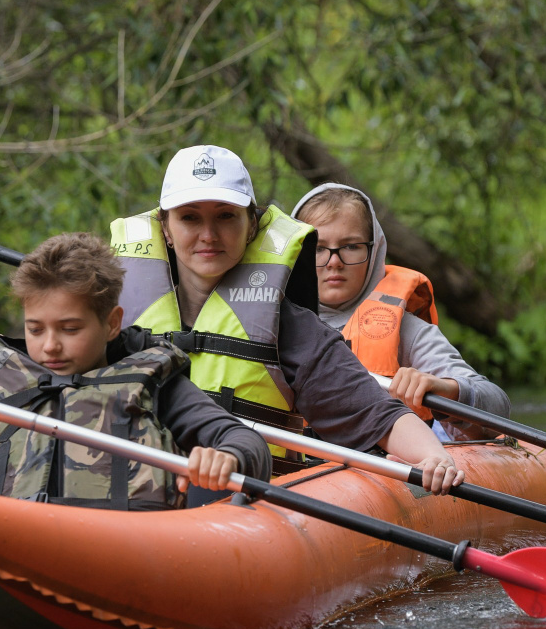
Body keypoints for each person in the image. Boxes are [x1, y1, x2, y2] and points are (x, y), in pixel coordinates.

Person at [107, 144, 464, 497]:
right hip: (134, 502)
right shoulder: (114, 319)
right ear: (166, 229)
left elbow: (378, 414)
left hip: (245, 507)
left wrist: (434, 458)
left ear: (251, 225)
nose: (209, 234)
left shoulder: (288, 325)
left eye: (226, 216)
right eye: (190, 217)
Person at [0, 232, 268, 509]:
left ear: (112, 323)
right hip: (18, 541)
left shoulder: (154, 383)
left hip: (131, 549)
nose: (50, 346)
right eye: (35, 329)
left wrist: (228, 456)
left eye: (70, 329)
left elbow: (245, 441)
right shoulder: (14, 387)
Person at [293, 183, 512, 434]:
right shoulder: (270, 325)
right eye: (318, 248)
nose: (334, 262)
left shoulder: (407, 331)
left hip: (386, 454)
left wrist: (447, 389)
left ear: (374, 250)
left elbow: (497, 407)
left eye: (351, 246)